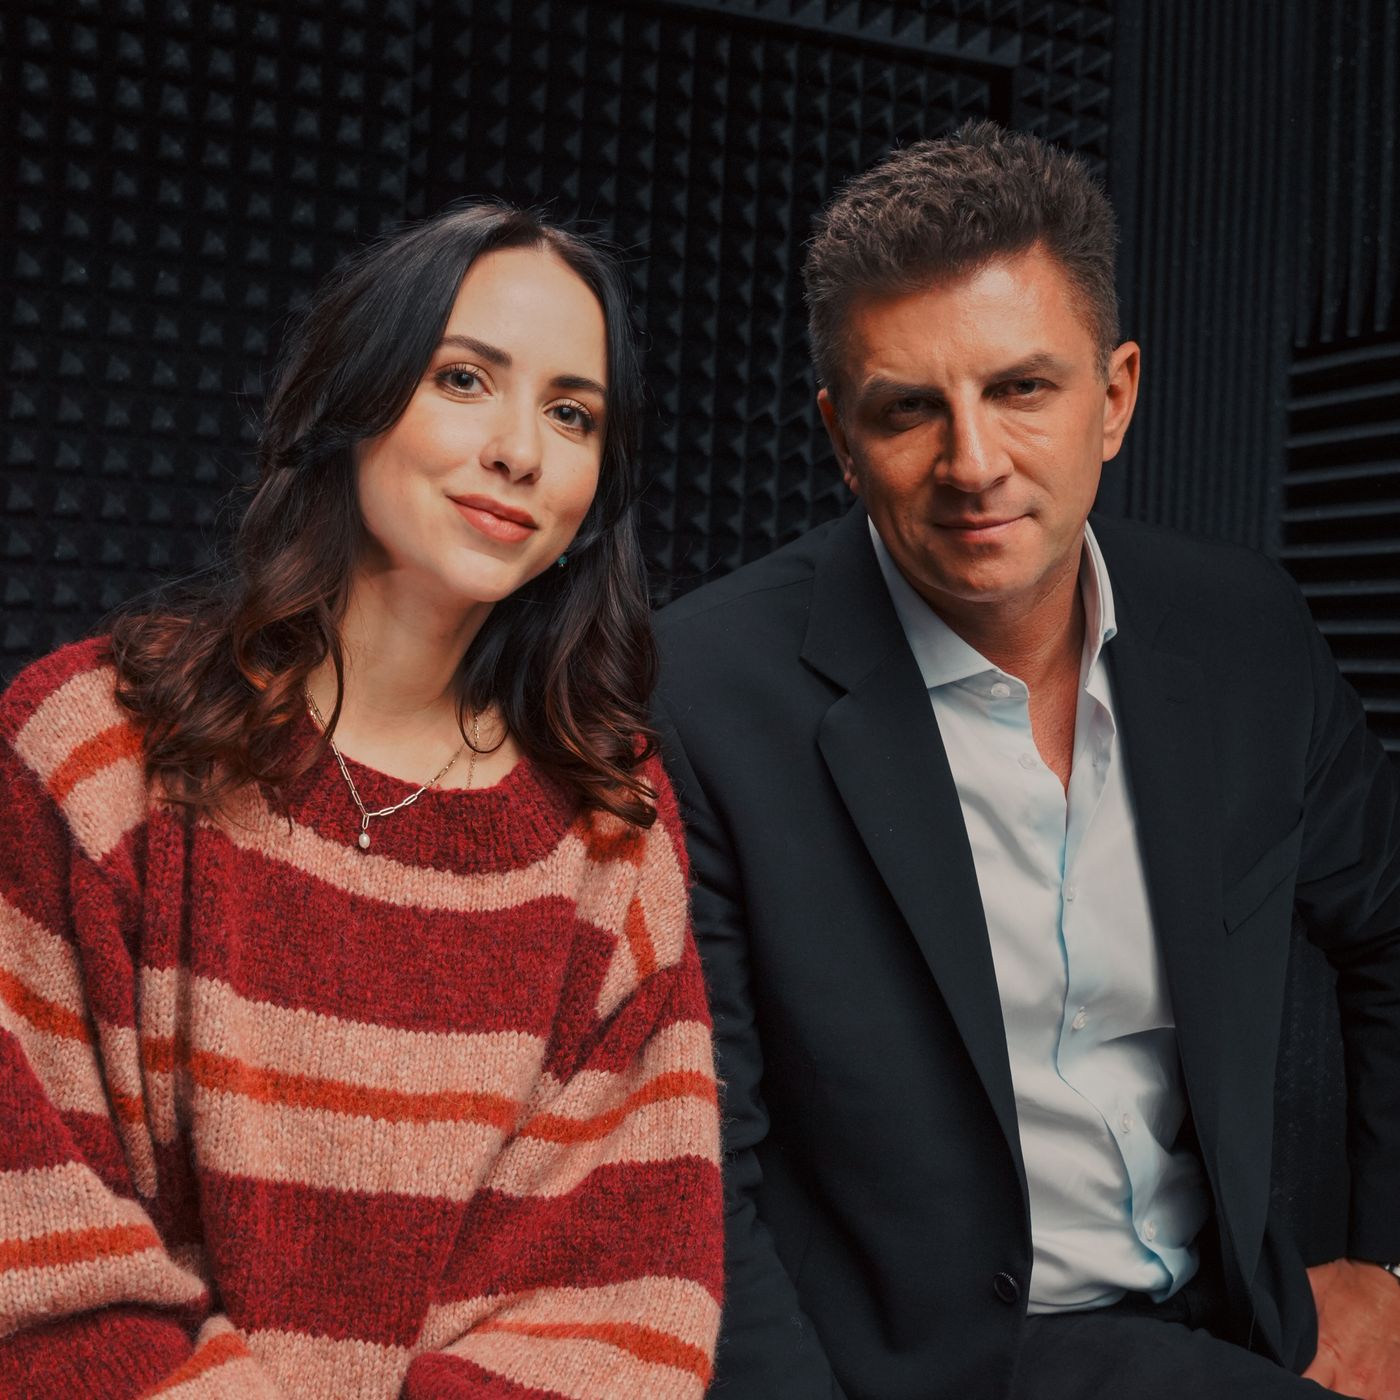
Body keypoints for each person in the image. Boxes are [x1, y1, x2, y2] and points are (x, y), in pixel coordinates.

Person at [654, 121, 1400, 1399]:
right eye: (908, 409)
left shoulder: (1243, 632)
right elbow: (696, 1165)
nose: (972, 463)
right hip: (926, 1368)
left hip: (1227, 1320)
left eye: (1020, 389)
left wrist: (1385, 1263)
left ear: (1113, 397)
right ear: (839, 437)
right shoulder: (702, 695)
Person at [0, 203, 723, 1398]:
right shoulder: (92, 750)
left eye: (571, 413)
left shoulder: (609, 829)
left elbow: (620, 1303)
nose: (519, 451)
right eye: (463, 378)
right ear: (353, 396)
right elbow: (37, 1253)